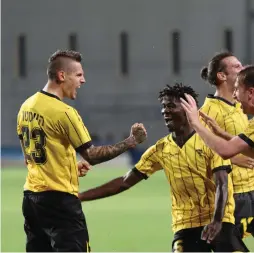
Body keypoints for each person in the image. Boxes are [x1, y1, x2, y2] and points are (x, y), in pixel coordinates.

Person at [79, 83, 248, 252]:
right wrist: (80, 196)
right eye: (163, 107)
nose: (165, 111)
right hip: (185, 225)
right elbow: (124, 182)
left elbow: (222, 183)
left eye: (171, 106)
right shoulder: (160, 149)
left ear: (188, 109)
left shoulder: (210, 142)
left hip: (219, 220)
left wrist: (217, 221)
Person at [17, 49, 147, 252]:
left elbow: (31, 158)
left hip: (31, 201)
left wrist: (68, 166)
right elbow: (92, 155)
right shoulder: (65, 113)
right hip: (60, 203)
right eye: (78, 75)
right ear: (62, 76)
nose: (83, 80)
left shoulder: (26, 106)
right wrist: (130, 141)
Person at [181, 65, 254, 239]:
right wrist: (222, 134)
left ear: (250, 93)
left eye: (237, 90)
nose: (235, 95)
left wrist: (196, 124)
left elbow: (225, 151)